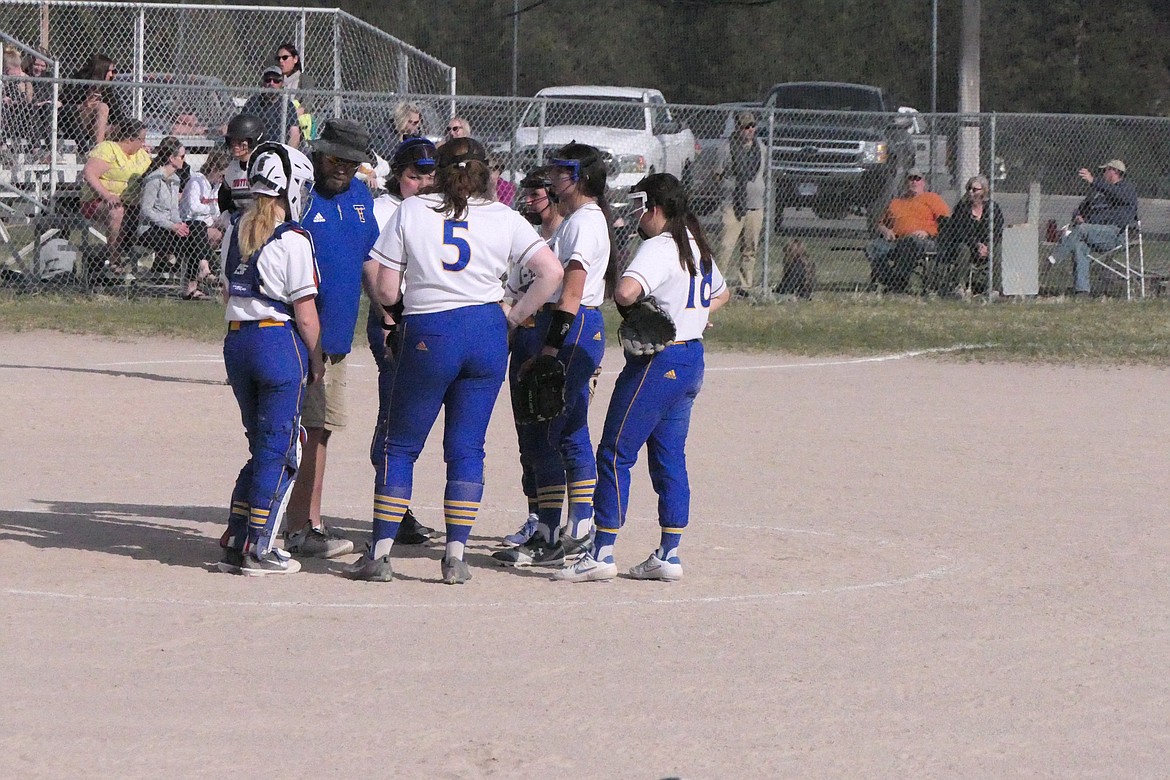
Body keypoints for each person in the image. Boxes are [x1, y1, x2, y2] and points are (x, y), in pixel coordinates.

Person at [348, 137, 563, 584]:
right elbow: (552, 273)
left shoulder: (412, 210)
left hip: (431, 328)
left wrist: (398, 316)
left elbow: (387, 289)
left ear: (439, 172)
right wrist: (514, 315)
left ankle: (381, 552)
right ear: (486, 172)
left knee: (400, 444)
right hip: (485, 330)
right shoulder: (503, 215)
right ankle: (456, 554)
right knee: (466, 447)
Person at [555, 172, 729, 582]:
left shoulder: (662, 245)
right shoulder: (695, 242)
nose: (638, 214)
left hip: (659, 363)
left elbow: (626, 292)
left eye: (642, 206)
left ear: (656, 208)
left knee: (615, 453)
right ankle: (669, 553)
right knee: (670, 456)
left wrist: (645, 314)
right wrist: (693, 319)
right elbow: (721, 293)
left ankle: (601, 551)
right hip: (690, 360)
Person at [492, 142, 616, 569]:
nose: (554, 178)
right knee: (558, 431)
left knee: (559, 430)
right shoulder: (578, 220)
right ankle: (562, 529)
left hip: (573, 323)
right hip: (567, 321)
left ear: (578, 177)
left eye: (561, 171)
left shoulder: (585, 222)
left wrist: (549, 349)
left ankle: (567, 531)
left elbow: (574, 292)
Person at [216, 141, 324, 576]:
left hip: (237, 342)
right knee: (281, 449)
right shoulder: (293, 238)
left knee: (261, 445)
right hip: (276, 342)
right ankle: (258, 547)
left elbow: (227, 292)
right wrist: (316, 360)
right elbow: (305, 312)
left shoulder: (234, 228)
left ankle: (237, 535)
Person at [280, 119, 379, 560]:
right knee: (305, 432)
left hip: (336, 340)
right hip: (301, 338)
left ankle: (304, 520)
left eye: (352, 162)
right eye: (336, 159)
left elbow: (369, 262)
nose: (343, 169)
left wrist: (392, 312)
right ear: (319, 155)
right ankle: (303, 526)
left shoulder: (360, 196)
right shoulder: (300, 199)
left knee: (319, 433)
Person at [361, 136, 442, 547]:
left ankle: (396, 504)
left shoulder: (437, 208)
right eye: (414, 176)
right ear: (398, 176)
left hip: (433, 322)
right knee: (395, 415)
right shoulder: (384, 209)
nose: (423, 184)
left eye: (430, 175)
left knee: (417, 418)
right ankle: (394, 509)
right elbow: (371, 271)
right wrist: (387, 317)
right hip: (395, 320)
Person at [500, 168, 564, 548]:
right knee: (527, 435)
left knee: (553, 434)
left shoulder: (565, 237)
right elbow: (511, 291)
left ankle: (564, 524)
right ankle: (536, 516)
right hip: (523, 336)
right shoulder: (526, 241)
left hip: (549, 335)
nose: (528, 201)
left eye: (536, 194)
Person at [136, 136, 214, 300]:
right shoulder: (154, 179)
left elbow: (173, 211)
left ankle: (200, 273)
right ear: (171, 158)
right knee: (194, 241)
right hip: (151, 230)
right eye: (182, 156)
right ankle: (195, 281)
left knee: (198, 226)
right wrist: (172, 227)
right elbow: (146, 211)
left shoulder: (175, 180)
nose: (184, 160)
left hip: (169, 227)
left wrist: (180, 223)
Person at [1046, 159, 1138, 296]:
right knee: (1079, 245)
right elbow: (1080, 208)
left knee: (1082, 230)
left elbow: (1116, 194)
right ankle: (1082, 291)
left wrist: (1093, 181)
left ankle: (1053, 259)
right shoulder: (1098, 193)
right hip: (1094, 234)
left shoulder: (1126, 188)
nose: (1102, 174)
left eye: (1105, 170)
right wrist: (1078, 216)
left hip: (1114, 235)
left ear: (1115, 171)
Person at [79, 118, 151, 278]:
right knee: (117, 212)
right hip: (99, 202)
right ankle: (114, 259)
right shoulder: (108, 148)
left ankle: (162, 261)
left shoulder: (142, 155)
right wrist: (107, 195)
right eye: (142, 139)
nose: (143, 143)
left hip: (133, 203)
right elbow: (89, 173)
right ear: (130, 139)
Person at [865, 168, 950, 294]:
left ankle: (899, 282)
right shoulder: (896, 202)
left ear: (923, 182)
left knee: (909, 242)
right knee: (872, 247)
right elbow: (881, 224)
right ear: (906, 182)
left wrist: (927, 232)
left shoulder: (932, 198)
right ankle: (889, 280)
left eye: (917, 178)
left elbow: (947, 224)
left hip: (923, 241)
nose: (914, 182)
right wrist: (886, 231)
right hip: (895, 241)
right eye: (911, 178)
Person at [715, 110, 766, 294]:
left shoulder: (761, 148)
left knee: (750, 248)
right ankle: (716, 285)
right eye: (746, 127)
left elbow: (763, 173)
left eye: (752, 126)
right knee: (726, 246)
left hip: (755, 205)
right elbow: (717, 175)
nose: (750, 130)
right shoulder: (727, 148)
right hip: (732, 204)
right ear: (738, 128)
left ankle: (745, 286)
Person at [934, 175, 1004, 296]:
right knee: (963, 249)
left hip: (986, 246)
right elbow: (960, 232)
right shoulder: (962, 208)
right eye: (969, 189)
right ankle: (960, 287)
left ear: (984, 191)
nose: (971, 192)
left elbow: (997, 229)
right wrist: (976, 245)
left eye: (975, 189)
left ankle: (994, 289)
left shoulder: (993, 208)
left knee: (997, 248)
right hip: (967, 244)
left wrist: (986, 245)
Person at [60, 53, 125, 149]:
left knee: (124, 126)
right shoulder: (79, 81)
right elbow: (65, 108)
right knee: (102, 107)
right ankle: (99, 149)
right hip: (77, 124)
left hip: (98, 126)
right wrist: (84, 105)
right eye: (109, 71)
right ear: (101, 70)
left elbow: (118, 116)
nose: (111, 75)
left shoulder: (107, 88)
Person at [181, 147, 231, 251]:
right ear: (213, 169)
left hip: (207, 223)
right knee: (217, 235)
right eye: (221, 175)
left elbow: (216, 209)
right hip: (190, 222)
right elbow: (194, 207)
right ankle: (210, 263)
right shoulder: (196, 181)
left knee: (229, 229)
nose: (222, 180)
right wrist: (211, 209)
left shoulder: (216, 186)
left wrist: (219, 220)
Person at [218, 113, 266, 216]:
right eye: (232, 141)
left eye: (240, 141)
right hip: (240, 221)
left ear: (254, 140)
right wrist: (226, 217)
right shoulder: (233, 168)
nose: (235, 145)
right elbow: (223, 197)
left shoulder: (264, 167)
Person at [241, 67, 301, 148]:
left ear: (282, 83)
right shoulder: (253, 102)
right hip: (256, 149)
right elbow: (242, 127)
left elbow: (294, 133)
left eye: (276, 81)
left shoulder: (288, 105)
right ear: (263, 82)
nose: (271, 83)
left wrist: (288, 153)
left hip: (279, 149)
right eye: (268, 80)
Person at [273, 42, 315, 141]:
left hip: (297, 126)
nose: (281, 62)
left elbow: (306, 105)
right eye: (278, 59)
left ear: (295, 59)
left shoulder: (305, 79)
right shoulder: (275, 80)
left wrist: (285, 118)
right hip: (276, 126)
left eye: (285, 58)